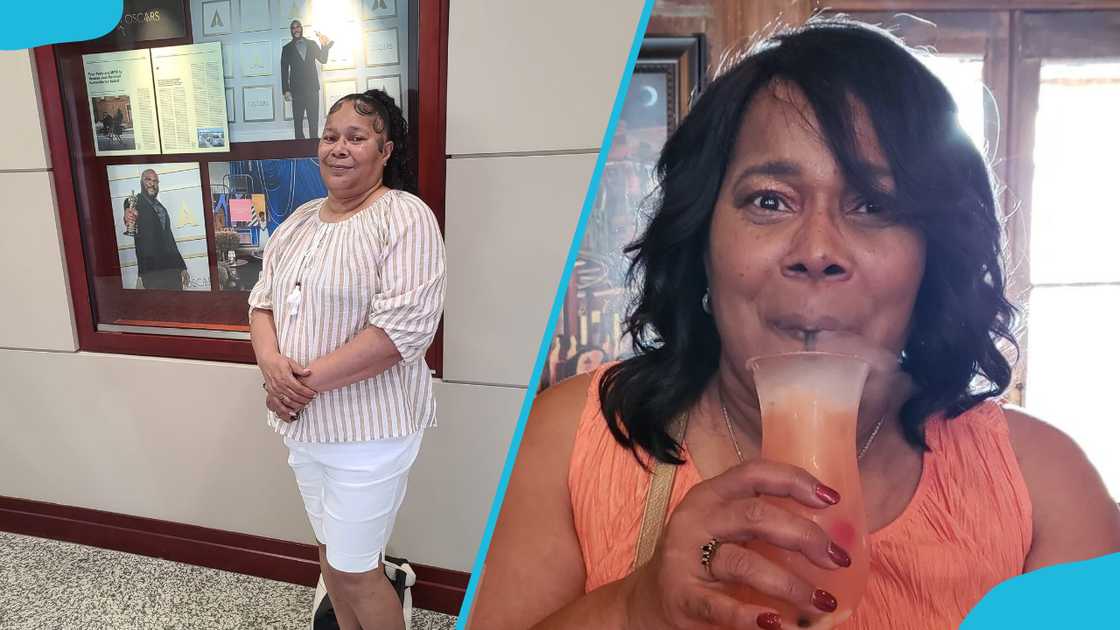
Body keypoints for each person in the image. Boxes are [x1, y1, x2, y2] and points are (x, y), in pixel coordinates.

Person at [468, 18, 1120, 630]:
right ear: (702, 242)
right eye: (770, 200)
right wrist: (634, 608)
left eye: (873, 204)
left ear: (934, 256)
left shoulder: (1046, 490)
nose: (817, 251)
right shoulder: (569, 442)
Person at [248, 89, 445, 630]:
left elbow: (400, 331)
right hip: (304, 427)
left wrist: (296, 383)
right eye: (331, 136)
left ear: (385, 151)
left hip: (370, 435)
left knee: (357, 570)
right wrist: (271, 365)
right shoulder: (299, 222)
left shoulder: (405, 217)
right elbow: (260, 302)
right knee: (329, 553)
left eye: (356, 138)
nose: (339, 148)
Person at [124, 169, 189, 290]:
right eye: (148, 179)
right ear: (141, 182)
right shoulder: (135, 202)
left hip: (172, 268)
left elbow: (169, 237)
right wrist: (128, 215)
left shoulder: (161, 207)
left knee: (178, 305)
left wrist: (182, 266)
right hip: (151, 270)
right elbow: (129, 211)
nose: (152, 183)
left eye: (155, 181)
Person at [281, 20, 333, 139]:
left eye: (297, 27)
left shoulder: (312, 44)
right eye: (293, 28)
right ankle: (299, 149)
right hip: (296, 90)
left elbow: (323, 59)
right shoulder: (286, 49)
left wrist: (324, 45)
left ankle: (313, 145)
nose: (296, 30)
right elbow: (284, 70)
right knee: (298, 122)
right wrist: (286, 90)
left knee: (313, 120)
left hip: (312, 89)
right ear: (291, 31)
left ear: (301, 28)